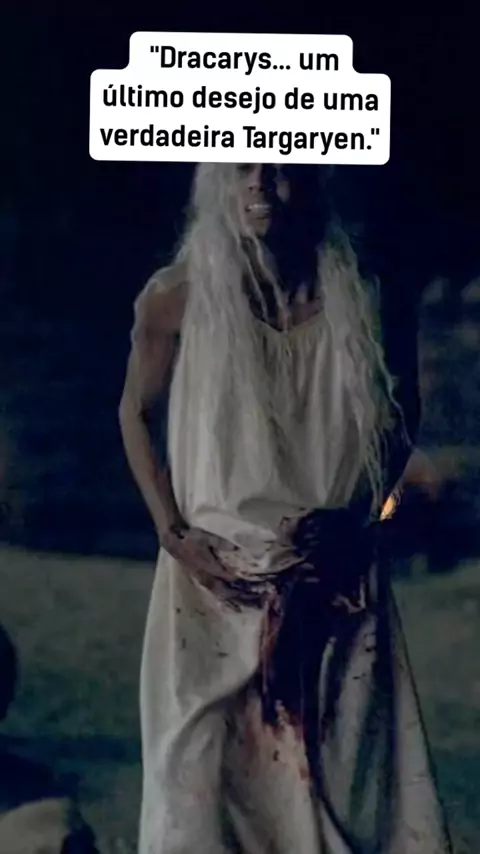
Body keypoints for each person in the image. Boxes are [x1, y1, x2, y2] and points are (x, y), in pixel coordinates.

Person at [119, 163, 452, 854]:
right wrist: (173, 532)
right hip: (214, 581)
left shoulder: (365, 298)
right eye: (242, 169)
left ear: (312, 180)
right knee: (199, 796)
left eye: (280, 170)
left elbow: (403, 414)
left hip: (332, 578)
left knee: (335, 790)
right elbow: (135, 412)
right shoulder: (176, 298)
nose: (261, 186)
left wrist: (359, 517)